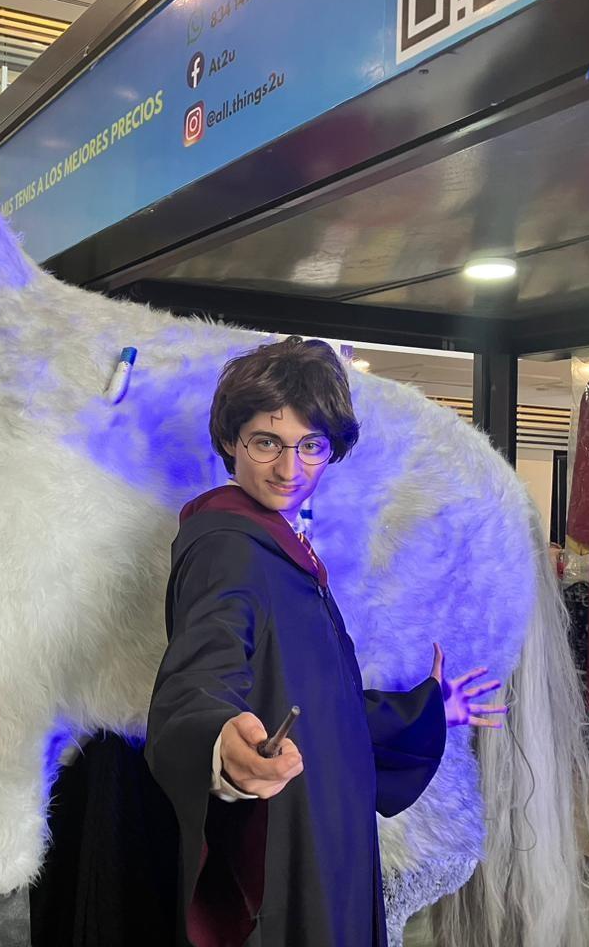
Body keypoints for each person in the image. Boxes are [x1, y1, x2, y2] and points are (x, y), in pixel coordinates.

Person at [144, 337, 505, 946]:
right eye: (267, 442)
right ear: (231, 440)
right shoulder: (226, 546)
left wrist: (425, 713)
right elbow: (200, 673)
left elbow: (317, 697)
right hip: (286, 840)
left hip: (323, 825)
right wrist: (218, 737)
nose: (291, 470)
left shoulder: (278, 541)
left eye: (311, 446)